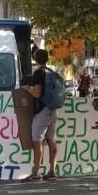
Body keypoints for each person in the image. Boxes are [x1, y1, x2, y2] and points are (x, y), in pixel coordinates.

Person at [20, 48, 58, 182]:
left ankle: (35, 172)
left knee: (37, 142)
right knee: (51, 140)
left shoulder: (38, 73)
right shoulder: (52, 72)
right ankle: (52, 170)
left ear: (35, 59)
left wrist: (27, 89)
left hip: (42, 111)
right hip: (53, 109)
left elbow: (37, 94)